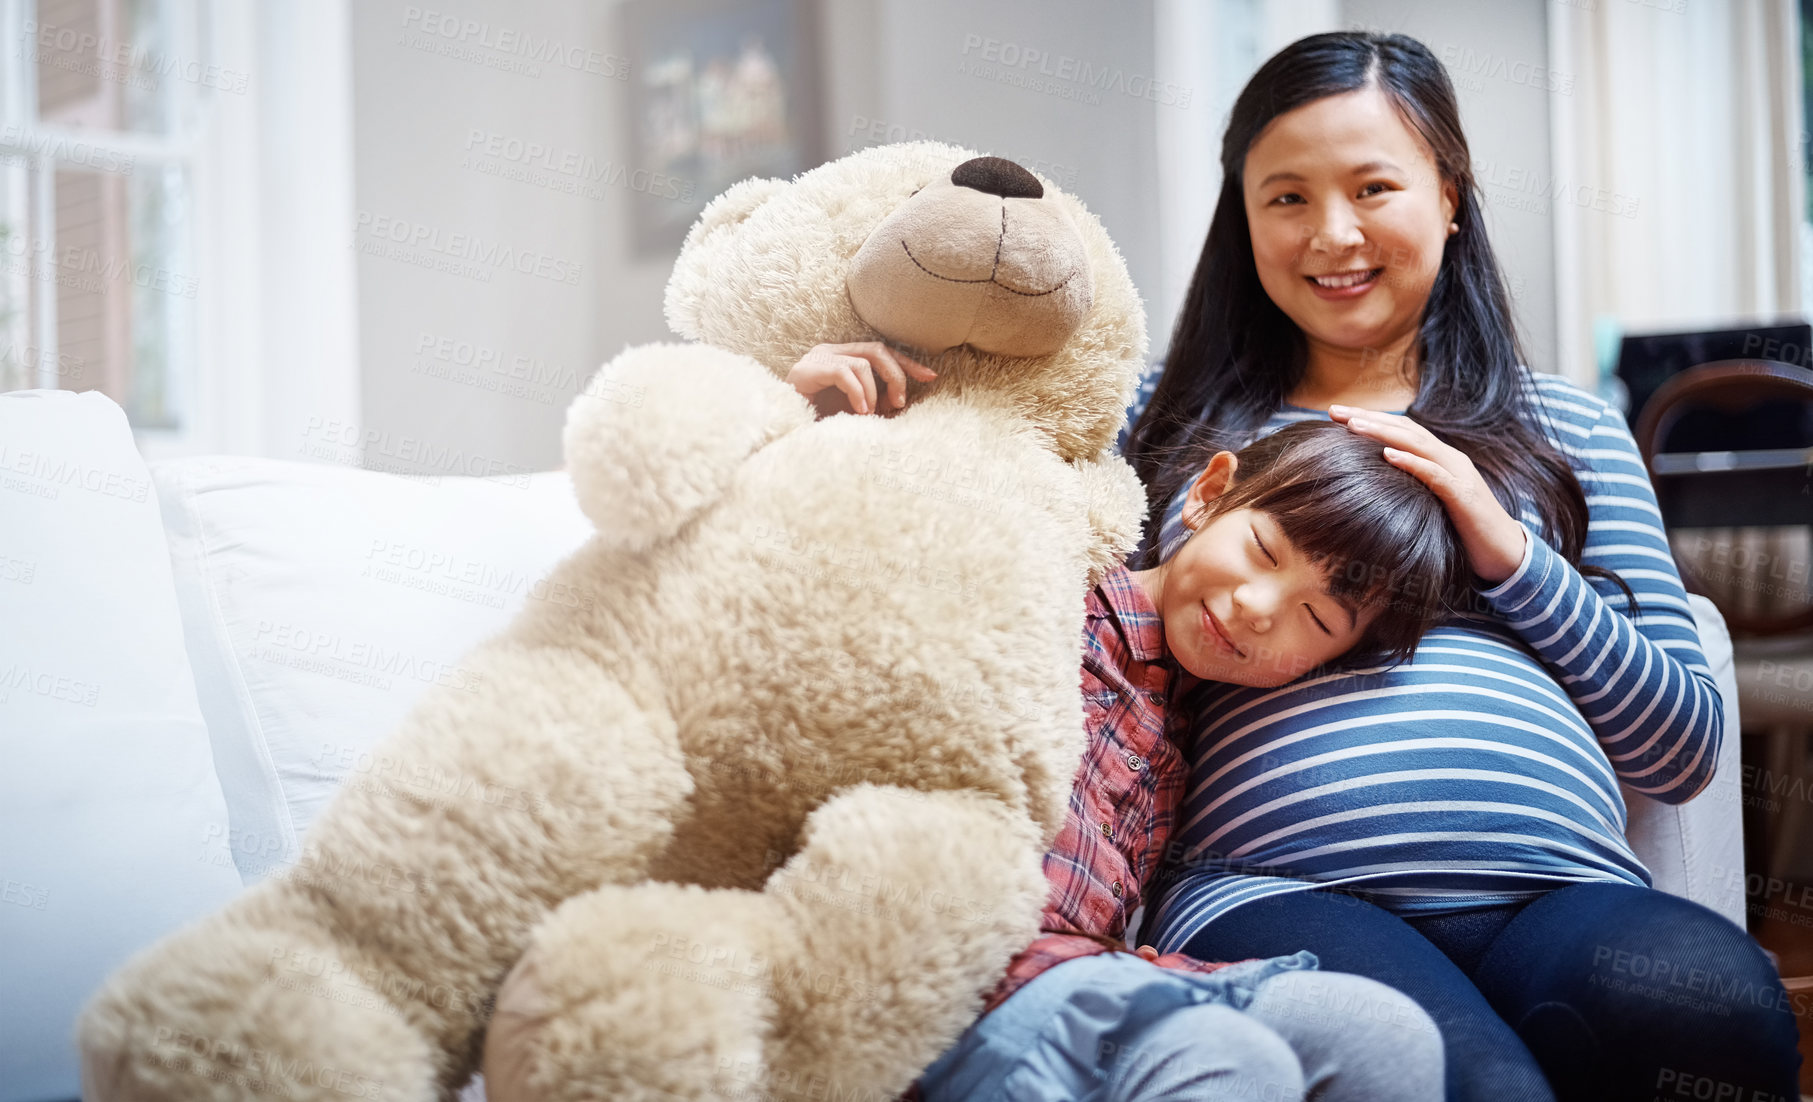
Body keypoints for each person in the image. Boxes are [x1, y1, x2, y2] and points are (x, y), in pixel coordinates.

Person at [1118, 31, 1800, 1102]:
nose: (1332, 234)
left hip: (1558, 892)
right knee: (1463, 1078)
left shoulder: (1564, 425)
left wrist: (1509, 554)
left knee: (1709, 1010)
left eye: (1373, 186)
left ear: (1447, 194)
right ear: (1240, 214)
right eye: (1285, 197)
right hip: (1268, 885)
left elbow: (1684, 750)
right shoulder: (1163, 420)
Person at [793, 347, 1451, 1101]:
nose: (1256, 608)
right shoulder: (1048, 579)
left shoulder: (1184, 736)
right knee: (1226, 1058)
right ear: (1208, 494)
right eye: (1262, 550)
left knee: (1380, 1034)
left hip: (1086, 977)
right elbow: (851, 557)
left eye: (1315, 617)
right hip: (947, 981)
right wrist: (804, 424)